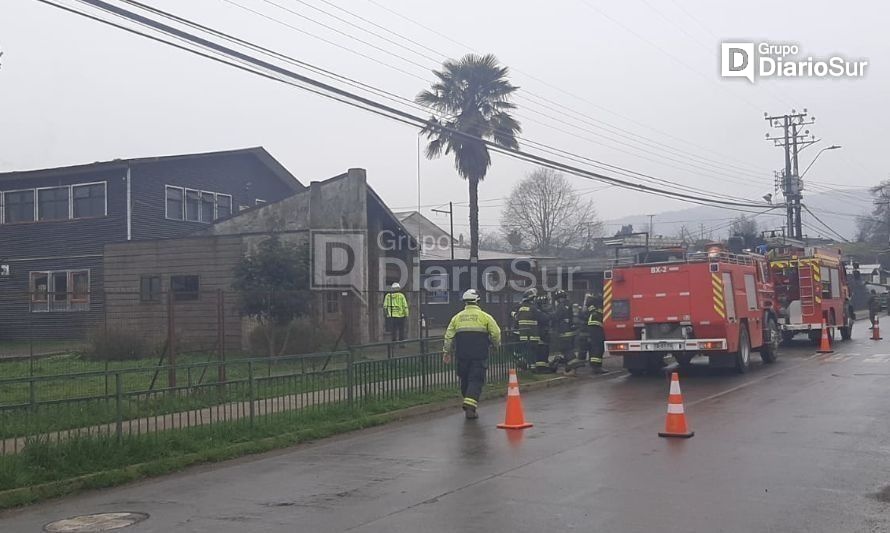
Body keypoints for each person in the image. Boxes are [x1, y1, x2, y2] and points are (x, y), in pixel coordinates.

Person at [443, 289, 502, 419]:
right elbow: (496, 333)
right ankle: (470, 405)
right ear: (477, 301)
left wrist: (446, 352)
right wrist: (496, 346)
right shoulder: (485, 317)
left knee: (464, 380)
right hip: (479, 355)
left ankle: (468, 402)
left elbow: (448, 337)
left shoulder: (456, 318)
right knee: (475, 380)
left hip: (462, 356)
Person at [511, 288, 552, 373]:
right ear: (531, 299)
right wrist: (549, 315)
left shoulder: (520, 307)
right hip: (532, 335)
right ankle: (532, 369)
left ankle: (525, 367)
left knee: (524, 352)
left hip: (521, 335)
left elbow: (515, 317)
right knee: (531, 352)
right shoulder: (533, 308)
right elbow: (544, 318)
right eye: (534, 298)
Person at [551, 289, 581, 372]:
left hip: (564, 332)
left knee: (565, 349)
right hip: (571, 332)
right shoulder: (570, 304)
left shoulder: (561, 306)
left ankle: (572, 366)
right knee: (569, 349)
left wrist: (550, 316)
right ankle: (570, 367)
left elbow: (556, 317)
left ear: (558, 298)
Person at [577, 293, 606, 374]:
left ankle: (594, 365)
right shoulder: (598, 300)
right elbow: (589, 302)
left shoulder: (600, 302)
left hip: (595, 324)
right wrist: (593, 311)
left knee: (595, 345)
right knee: (598, 345)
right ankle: (596, 367)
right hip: (595, 324)